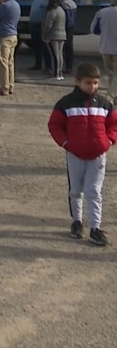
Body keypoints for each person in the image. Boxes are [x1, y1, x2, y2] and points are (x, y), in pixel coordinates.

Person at [47, 62, 117, 246]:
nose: (92, 86)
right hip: (75, 155)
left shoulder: (104, 104)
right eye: (88, 83)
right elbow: (55, 125)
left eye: (95, 83)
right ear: (77, 81)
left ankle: (95, 227)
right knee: (75, 190)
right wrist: (65, 143)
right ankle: (77, 222)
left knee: (94, 191)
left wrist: (108, 141)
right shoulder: (66, 103)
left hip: (98, 156)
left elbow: (113, 125)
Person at [90, 0, 117, 103]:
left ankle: (114, 96)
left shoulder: (101, 12)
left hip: (105, 48)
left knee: (110, 73)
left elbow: (94, 30)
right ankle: (110, 97)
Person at [42, 0, 67, 81]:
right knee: (60, 55)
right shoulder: (61, 10)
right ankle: (60, 73)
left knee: (55, 55)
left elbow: (48, 25)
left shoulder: (52, 11)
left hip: (53, 35)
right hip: (62, 35)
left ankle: (56, 74)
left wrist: (44, 35)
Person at [27, 0, 51, 72]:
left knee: (45, 47)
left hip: (42, 25)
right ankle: (38, 64)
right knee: (36, 46)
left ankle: (48, 66)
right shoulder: (36, 0)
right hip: (34, 25)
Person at [57, 0, 77, 74]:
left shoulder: (64, 4)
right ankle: (69, 66)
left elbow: (67, 18)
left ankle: (65, 67)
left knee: (64, 47)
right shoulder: (72, 2)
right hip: (71, 26)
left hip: (66, 27)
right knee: (69, 47)